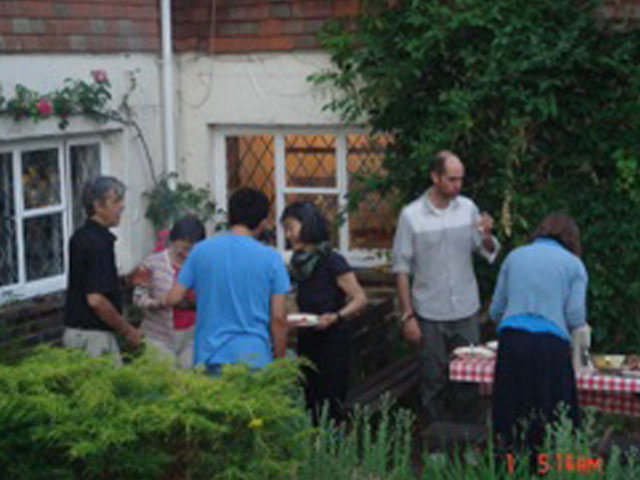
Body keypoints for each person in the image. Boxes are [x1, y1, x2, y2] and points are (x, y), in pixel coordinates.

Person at [391, 150, 500, 424]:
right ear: (435, 177)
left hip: (466, 310)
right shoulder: (411, 215)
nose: (457, 186)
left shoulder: (468, 209)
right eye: (451, 179)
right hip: (429, 313)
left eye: (460, 180)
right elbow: (401, 268)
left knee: (468, 381)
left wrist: (487, 236)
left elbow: (487, 252)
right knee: (433, 380)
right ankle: (436, 446)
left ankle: (468, 443)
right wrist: (408, 315)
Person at [490, 212, 587, 458]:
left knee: (511, 412)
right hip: (550, 346)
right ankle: (547, 467)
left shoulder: (514, 257)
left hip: (512, 342)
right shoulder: (574, 265)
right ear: (572, 238)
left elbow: (495, 310)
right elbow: (576, 317)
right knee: (551, 414)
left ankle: (509, 467)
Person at [163, 188, 290, 372]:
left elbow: (173, 298)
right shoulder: (271, 258)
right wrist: (280, 363)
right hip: (255, 357)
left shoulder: (200, 251)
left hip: (211, 356)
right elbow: (278, 318)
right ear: (262, 222)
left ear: (230, 215)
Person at [281, 202, 368, 423]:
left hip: (332, 342)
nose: (288, 235)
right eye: (286, 229)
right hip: (308, 338)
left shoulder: (331, 260)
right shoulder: (298, 263)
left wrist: (336, 316)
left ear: (308, 225)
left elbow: (360, 299)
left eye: (291, 227)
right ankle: (316, 448)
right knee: (310, 399)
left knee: (330, 402)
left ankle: (334, 449)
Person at [63, 176, 142, 363]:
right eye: (116, 201)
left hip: (80, 335)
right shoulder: (98, 243)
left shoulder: (81, 236)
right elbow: (96, 300)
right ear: (98, 206)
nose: (122, 206)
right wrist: (128, 330)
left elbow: (88, 283)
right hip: (94, 339)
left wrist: (126, 281)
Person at [133, 215, 206, 368]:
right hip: (158, 336)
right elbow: (138, 298)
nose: (187, 254)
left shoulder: (203, 265)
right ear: (173, 241)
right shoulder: (151, 263)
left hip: (191, 337)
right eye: (183, 248)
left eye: (192, 249)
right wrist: (161, 301)